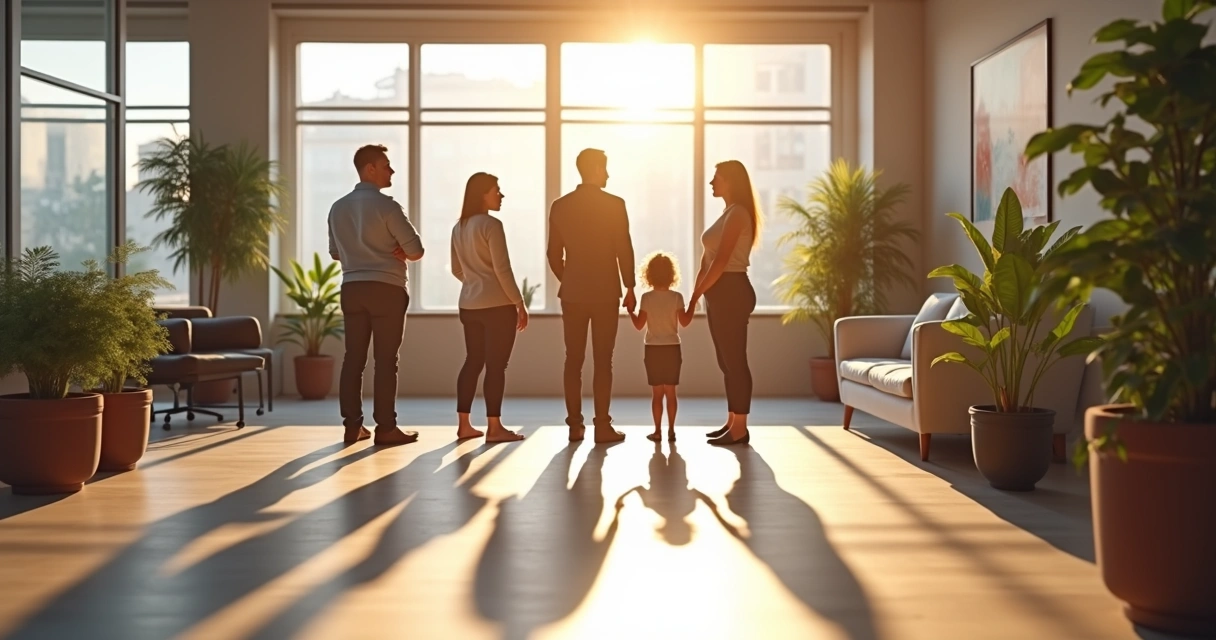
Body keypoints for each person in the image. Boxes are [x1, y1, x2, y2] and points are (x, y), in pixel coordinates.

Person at [328, 144, 424, 447]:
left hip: (352, 288)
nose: (391, 170)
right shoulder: (388, 207)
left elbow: (335, 252)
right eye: (386, 165)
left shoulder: (337, 207)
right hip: (387, 289)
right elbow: (416, 250)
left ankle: (352, 427)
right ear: (369, 168)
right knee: (385, 361)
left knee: (353, 359)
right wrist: (394, 249)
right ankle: (386, 429)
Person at [547, 148, 636, 443]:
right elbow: (624, 247)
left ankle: (574, 425)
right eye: (606, 169)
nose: (608, 175)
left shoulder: (560, 206)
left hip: (572, 293)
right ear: (597, 169)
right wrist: (631, 286)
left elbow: (552, 254)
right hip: (606, 292)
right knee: (603, 360)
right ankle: (602, 426)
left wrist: (570, 278)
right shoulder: (615, 205)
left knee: (572, 359)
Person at [450, 172, 528, 443]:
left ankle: (464, 426)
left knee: (473, 362)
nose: (501, 195)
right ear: (483, 194)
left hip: (468, 305)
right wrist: (519, 302)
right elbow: (502, 270)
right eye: (496, 190)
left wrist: (475, 282)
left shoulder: (458, 227)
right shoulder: (491, 225)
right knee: (496, 367)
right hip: (497, 306)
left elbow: (456, 269)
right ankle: (494, 429)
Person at [687, 159, 760, 446]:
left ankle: (740, 429)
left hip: (732, 290)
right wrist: (696, 296)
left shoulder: (739, 214)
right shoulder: (728, 213)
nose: (712, 182)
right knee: (725, 361)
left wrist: (695, 296)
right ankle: (732, 422)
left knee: (735, 361)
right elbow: (707, 263)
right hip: (718, 292)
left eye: (716, 177)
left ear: (730, 181)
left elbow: (720, 262)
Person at [628, 251, 692, 442]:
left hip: (653, 349)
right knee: (671, 393)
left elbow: (639, 325)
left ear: (649, 274)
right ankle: (671, 430)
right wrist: (694, 302)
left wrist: (630, 311)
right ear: (672, 274)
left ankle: (657, 431)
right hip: (672, 348)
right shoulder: (677, 297)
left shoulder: (647, 298)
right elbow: (685, 322)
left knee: (657, 395)